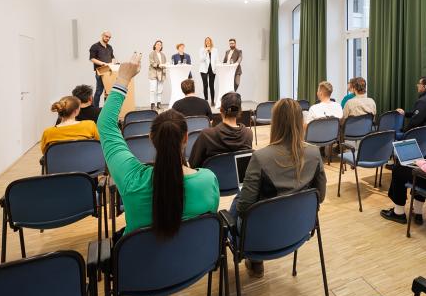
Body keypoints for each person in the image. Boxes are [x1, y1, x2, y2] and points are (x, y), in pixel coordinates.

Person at [97, 52, 220, 237]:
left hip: (142, 265)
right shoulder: (208, 180)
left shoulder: (132, 180)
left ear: (151, 138)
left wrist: (123, 78)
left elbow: (105, 125)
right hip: (193, 264)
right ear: (185, 138)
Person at [233, 98, 327, 277]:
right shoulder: (314, 153)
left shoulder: (260, 157)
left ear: (275, 123)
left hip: (262, 235)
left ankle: (252, 258)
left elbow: (244, 209)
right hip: (299, 229)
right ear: (300, 122)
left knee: (240, 199)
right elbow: (319, 197)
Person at [188, 92, 253, 168]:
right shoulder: (248, 134)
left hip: (213, 179)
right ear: (240, 111)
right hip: (237, 179)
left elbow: (193, 165)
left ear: (221, 110)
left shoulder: (207, 135)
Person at [89, 31, 116, 107]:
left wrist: (113, 63)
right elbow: (92, 59)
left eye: (109, 37)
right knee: (99, 91)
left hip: (109, 72)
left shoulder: (109, 47)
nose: (108, 38)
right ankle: (95, 108)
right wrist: (104, 64)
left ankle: (106, 108)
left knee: (107, 91)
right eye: (106, 36)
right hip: (100, 72)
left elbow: (112, 57)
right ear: (102, 35)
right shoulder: (95, 46)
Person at [199, 37, 218, 106]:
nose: (207, 42)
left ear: (211, 42)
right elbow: (201, 59)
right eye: (206, 41)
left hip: (212, 69)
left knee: (211, 85)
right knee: (205, 85)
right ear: (205, 42)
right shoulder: (202, 49)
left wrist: (217, 68)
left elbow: (217, 60)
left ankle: (212, 101)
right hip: (203, 69)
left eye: (209, 41)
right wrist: (206, 51)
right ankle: (206, 100)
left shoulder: (215, 50)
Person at [148, 40, 167, 111]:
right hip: (153, 73)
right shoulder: (151, 54)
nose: (159, 46)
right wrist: (159, 65)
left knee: (160, 90)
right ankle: (152, 104)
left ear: (161, 46)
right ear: (155, 45)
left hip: (161, 74)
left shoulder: (163, 55)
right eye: (158, 44)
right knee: (152, 90)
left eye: (160, 45)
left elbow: (164, 64)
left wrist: (165, 66)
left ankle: (159, 103)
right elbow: (152, 63)